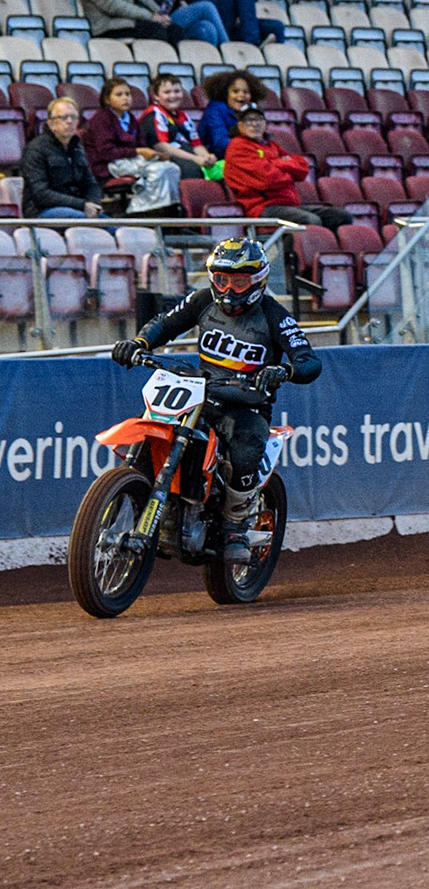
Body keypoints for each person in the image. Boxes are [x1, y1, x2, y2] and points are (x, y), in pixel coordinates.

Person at [110, 238, 322, 561]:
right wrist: (138, 343)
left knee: (247, 443)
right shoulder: (202, 301)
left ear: (258, 280)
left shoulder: (275, 316)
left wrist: (283, 371)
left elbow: (310, 361)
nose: (229, 290)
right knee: (158, 424)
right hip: (201, 395)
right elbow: (165, 324)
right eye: (222, 280)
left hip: (247, 405)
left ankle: (235, 525)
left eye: (239, 282)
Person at [223, 107, 352, 227]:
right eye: (249, 120)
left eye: (258, 119)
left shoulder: (270, 145)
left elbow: (302, 169)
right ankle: (293, 252)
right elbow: (267, 180)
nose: (254, 124)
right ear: (240, 126)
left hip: (288, 204)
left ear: (265, 124)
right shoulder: (238, 147)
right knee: (311, 221)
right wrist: (285, 167)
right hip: (262, 207)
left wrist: (275, 164)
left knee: (341, 216)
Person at [84, 77, 181, 214]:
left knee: (172, 168)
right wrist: (138, 151)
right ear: (107, 99)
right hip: (108, 165)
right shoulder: (101, 119)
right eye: (119, 95)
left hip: (130, 159)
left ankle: (168, 210)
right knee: (157, 171)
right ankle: (138, 210)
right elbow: (106, 153)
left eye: (128, 94)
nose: (125, 98)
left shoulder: (131, 118)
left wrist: (156, 156)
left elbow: (141, 144)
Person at [21, 98, 105, 219]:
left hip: (77, 208)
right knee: (84, 221)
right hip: (42, 211)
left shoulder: (78, 148)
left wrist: (93, 204)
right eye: (64, 117)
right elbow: (41, 194)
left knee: (116, 227)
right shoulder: (35, 149)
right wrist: (82, 205)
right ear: (51, 123)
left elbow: (91, 184)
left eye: (74, 117)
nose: (70, 121)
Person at [138, 75, 219, 182]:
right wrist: (195, 159)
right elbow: (161, 146)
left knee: (219, 169)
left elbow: (196, 144)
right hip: (163, 157)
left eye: (177, 91)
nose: (173, 96)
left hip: (186, 154)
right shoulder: (154, 113)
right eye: (167, 92)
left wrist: (207, 157)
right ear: (156, 96)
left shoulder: (183, 116)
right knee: (192, 170)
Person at [200, 69, 264, 159]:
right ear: (225, 93)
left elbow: (261, 139)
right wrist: (249, 148)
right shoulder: (214, 111)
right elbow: (220, 145)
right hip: (217, 161)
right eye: (235, 91)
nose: (241, 95)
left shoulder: (250, 111)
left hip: (243, 156)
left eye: (246, 92)